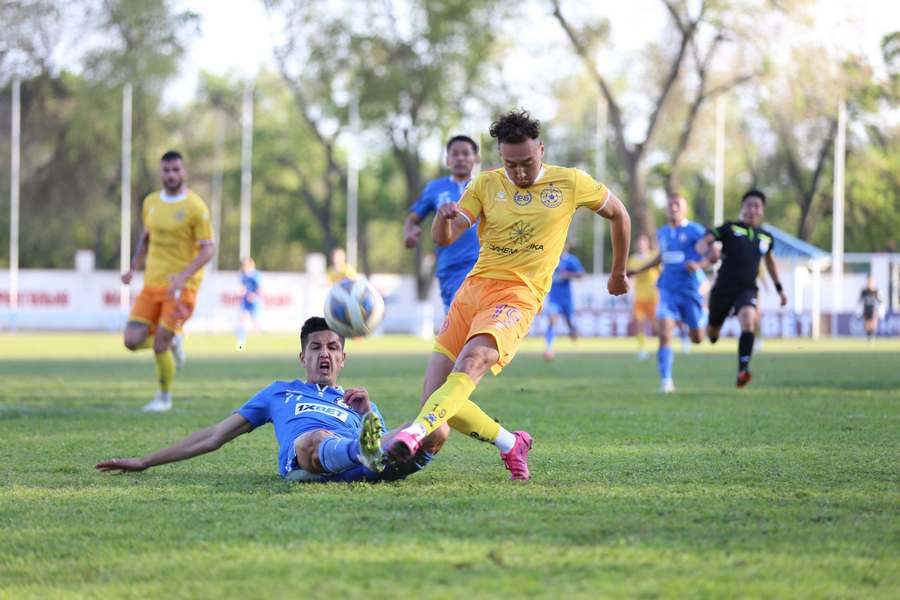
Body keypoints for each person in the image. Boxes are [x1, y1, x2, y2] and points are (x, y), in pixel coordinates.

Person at [383, 109, 631, 480]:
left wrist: (618, 271)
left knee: (470, 365)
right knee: (437, 410)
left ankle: (414, 431)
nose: (519, 173)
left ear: (541, 150)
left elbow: (620, 214)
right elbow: (444, 239)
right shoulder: (485, 184)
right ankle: (511, 443)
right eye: (510, 164)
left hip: (518, 296)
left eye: (527, 163)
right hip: (472, 293)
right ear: (500, 156)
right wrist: (442, 217)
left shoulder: (571, 182)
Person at [97, 317, 434, 483]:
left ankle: (363, 454)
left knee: (432, 429)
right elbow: (215, 435)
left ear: (343, 359)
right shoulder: (279, 393)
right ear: (302, 357)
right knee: (314, 438)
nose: (325, 354)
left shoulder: (359, 401)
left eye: (333, 348)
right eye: (316, 347)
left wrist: (366, 412)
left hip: (362, 466)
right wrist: (146, 461)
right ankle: (358, 452)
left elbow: (386, 441)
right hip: (307, 461)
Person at [121, 150, 215, 412]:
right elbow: (146, 237)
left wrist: (183, 276)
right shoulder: (151, 202)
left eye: (176, 170)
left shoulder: (195, 207)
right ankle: (173, 340)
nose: (171, 175)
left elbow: (208, 248)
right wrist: (133, 266)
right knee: (131, 341)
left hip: (181, 288)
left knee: (159, 343)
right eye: (166, 170)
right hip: (152, 284)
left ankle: (163, 398)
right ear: (161, 172)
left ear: (184, 172)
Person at [698, 189, 787, 387]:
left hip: (747, 289)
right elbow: (707, 238)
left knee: (749, 321)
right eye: (749, 205)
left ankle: (743, 369)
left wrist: (779, 289)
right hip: (722, 289)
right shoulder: (730, 228)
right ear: (743, 208)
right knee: (712, 335)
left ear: (762, 210)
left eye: (757, 206)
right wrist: (709, 250)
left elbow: (770, 262)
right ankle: (714, 330)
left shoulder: (766, 237)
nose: (753, 210)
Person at [629, 194, 710, 394]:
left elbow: (713, 253)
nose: (673, 208)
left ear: (685, 209)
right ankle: (666, 381)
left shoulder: (695, 230)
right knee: (664, 332)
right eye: (670, 205)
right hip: (667, 291)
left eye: (677, 205)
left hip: (690, 292)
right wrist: (637, 270)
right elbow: (660, 257)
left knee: (697, 338)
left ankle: (703, 317)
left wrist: (699, 264)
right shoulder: (663, 232)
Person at [404, 135, 481, 312]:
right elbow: (413, 219)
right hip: (451, 267)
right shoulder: (435, 188)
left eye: (465, 153)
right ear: (447, 159)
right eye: (455, 154)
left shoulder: (485, 185)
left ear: (476, 159)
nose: (460, 158)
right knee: (457, 317)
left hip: (481, 265)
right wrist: (409, 233)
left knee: (477, 315)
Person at [542, 243, 586, 360]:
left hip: (566, 299)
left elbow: (582, 275)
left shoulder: (571, 260)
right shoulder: (551, 258)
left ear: (567, 246)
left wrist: (568, 274)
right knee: (552, 320)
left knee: (569, 323)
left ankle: (573, 334)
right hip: (554, 298)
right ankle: (549, 348)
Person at [626, 234, 659, 360]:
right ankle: (642, 349)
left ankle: (662, 346)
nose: (641, 245)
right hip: (639, 296)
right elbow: (628, 276)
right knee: (639, 323)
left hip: (653, 296)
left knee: (656, 326)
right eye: (639, 242)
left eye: (643, 242)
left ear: (647, 244)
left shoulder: (654, 256)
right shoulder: (632, 259)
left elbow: (661, 272)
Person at [236, 257, 262, 351]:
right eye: (243, 264)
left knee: (256, 323)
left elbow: (260, 289)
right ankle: (240, 343)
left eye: (245, 264)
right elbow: (242, 287)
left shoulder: (255, 275)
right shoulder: (243, 275)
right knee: (242, 321)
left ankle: (261, 343)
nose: (243, 266)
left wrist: (254, 296)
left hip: (254, 302)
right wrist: (241, 291)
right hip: (246, 301)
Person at [859, 275, 882, 341]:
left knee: (872, 324)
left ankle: (872, 336)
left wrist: (880, 310)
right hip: (866, 310)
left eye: (871, 281)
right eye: (868, 281)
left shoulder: (875, 291)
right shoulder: (864, 291)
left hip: (873, 310)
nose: (869, 283)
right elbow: (860, 300)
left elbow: (880, 301)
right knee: (867, 325)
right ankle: (868, 336)